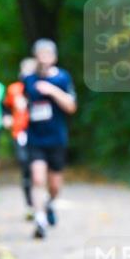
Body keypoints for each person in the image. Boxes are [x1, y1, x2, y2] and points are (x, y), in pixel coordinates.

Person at [23, 39, 77, 240]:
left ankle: (49, 203)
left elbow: (71, 107)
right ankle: (40, 220)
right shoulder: (28, 80)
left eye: (48, 54)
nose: (44, 58)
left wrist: (52, 91)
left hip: (56, 138)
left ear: (54, 57)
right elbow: (21, 103)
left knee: (55, 186)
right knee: (37, 179)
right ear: (35, 56)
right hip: (35, 138)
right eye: (41, 54)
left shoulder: (63, 78)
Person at [4, 57, 37, 219]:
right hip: (20, 132)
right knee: (25, 165)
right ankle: (30, 204)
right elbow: (5, 106)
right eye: (25, 70)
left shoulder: (40, 88)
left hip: (38, 133)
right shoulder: (14, 89)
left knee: (38, 168)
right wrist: (6, 117)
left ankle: (42, 202)